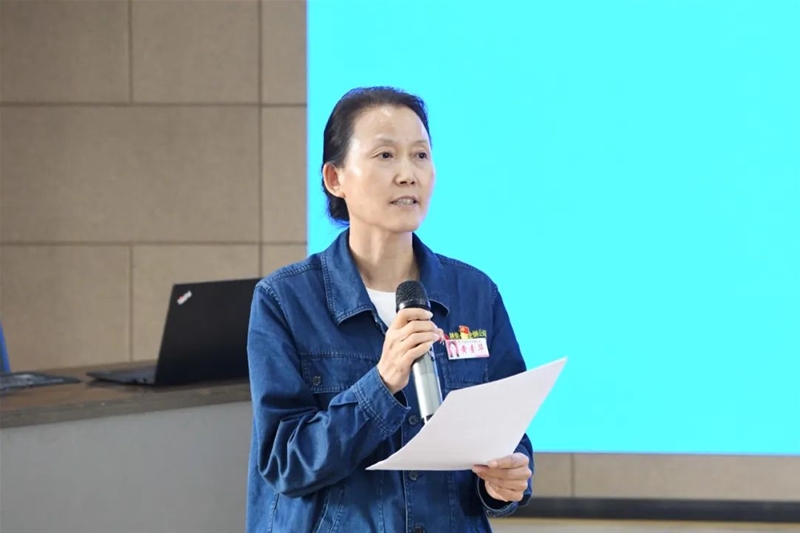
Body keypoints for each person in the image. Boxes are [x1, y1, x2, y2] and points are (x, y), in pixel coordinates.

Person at [245, 86, 534, 532]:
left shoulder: (475, 293)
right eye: (385, 155)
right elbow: (286, 462)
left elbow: (508, 430)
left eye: (420, 155)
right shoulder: (285, 300)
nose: (407, 174)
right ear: (335, 178)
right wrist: (382, 383)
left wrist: (505, 480)